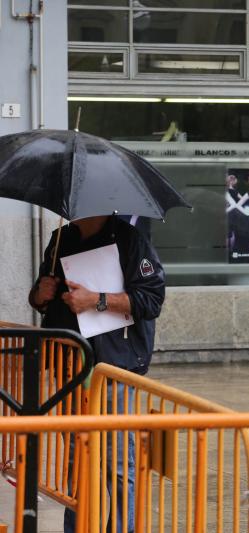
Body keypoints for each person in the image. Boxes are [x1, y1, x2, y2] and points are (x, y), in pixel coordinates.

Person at [29, 214, 166, 533]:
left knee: (118, 463)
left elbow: (151, 299)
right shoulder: (60, 239)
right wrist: (40, 294)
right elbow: (41, 302)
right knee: (78, 463)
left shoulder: (130, 240)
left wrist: (96, 300)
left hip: (113, 367)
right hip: (68, 368)